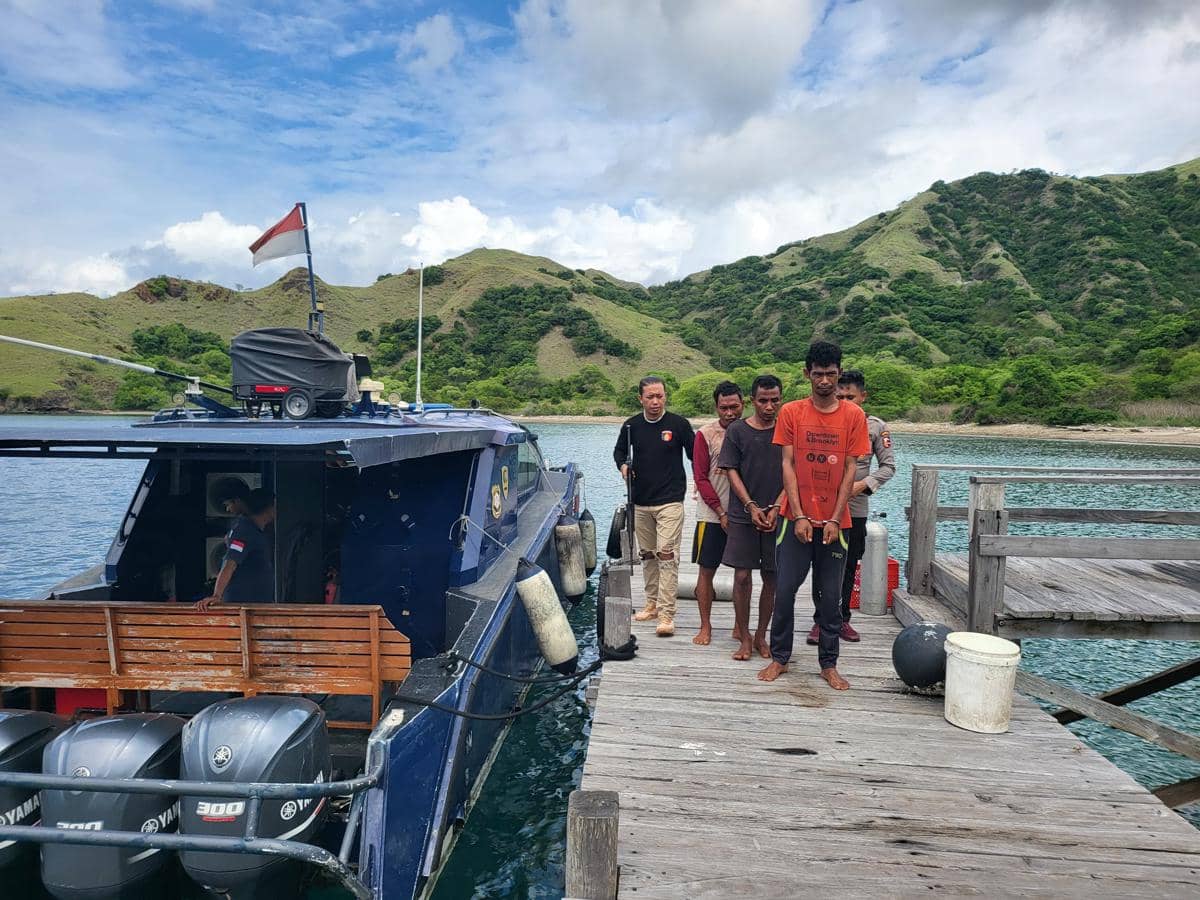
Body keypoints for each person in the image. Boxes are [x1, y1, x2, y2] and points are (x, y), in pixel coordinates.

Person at [758, 341, 867, 691]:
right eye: (818, 374)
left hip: (837, 523)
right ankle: (780, 657)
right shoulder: (791, 412)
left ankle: (829, 663)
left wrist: (835, 519)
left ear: (838, 373)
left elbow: (851, 468)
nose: (824, 381)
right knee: (785, 591)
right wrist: (800, 514)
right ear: (807, 373)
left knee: (831, 596)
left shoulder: (854, 416)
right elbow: (787, 465)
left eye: (831, 374)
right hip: (795, 520)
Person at [807, 369, 896, 645]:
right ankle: (820, 620)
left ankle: (842, 619)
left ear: (863, 397)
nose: (845, 400)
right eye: (840, 395)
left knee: (847, 565)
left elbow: (888, 467)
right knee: (821, 565)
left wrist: (861, 485)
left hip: (855, 508)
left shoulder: (876, 427)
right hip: (821, 507)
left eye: (851, 396)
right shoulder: (823, 421)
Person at [613, 376, 696, 637]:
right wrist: (623, 466)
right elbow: (618, 452)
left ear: (665, 396)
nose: (655, 401)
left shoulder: (679, 424)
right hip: (641, 501)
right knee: (647, 554)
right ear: (641, 398)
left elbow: (696, 455)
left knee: (666, 554)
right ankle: (651, 603)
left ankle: (666, 614)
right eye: (650, 396)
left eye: (660, 396)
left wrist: (702, 482)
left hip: (670, 500)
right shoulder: (631, 426)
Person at [717, 374, 785, 661]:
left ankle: (761, 635)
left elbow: (795, 471)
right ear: (752, 401)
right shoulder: (737, 431)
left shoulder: (787, 430)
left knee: (772, 577)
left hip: (778, 513)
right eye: (763, 400)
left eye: (775, 400)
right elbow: (731, 470)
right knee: (742, 576)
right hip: (744, 514)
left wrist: (777, 506)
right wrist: (751, 506)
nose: (769, 406)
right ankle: (743, 637)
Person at [690, 381, 744, 645]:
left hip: (743, 516)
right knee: (706, 571)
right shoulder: (705, 435)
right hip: (711, 515)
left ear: (743, 404)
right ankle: (705, 626)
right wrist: (720, 511)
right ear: (716, 407)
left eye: (734, 406)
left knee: (742, 574)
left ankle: (739, 625)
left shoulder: (751, 431)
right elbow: (700, 477)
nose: (730, 412)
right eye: (724, 407)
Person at [197, 488, 277, 611]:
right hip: (243, 608)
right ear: (268, 507)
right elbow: (230, 563)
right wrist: (217, 595)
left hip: (259, 605)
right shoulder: (245, 531)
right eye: (275, 504)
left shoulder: (252, 530)